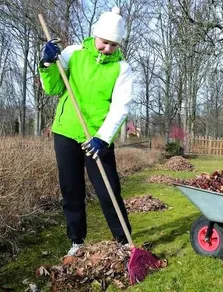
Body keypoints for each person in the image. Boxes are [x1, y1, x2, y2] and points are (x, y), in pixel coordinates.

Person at [38, 7, 133, 256]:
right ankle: (77, 241)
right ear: (95, 35)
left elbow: (120, 108)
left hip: (97, 138)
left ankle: (124, 242)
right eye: (104, 42)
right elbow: (53, 88)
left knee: (108, 190)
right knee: (72, 190)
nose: (107, 48)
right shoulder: (74, 53)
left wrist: (103, 138)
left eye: (113, 44)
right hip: (66, 132)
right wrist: (47, 63)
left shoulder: (121, 68)